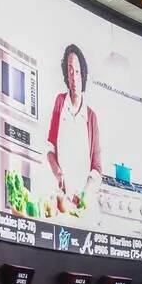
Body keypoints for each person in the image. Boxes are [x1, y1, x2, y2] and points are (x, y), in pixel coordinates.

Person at [46, 43, 102, 209]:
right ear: (66, 75)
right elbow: (49, 146)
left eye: (77, 71)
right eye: (70, 71)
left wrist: (84, 193)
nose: (74, 76)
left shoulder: (91, 117)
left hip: (81, 202)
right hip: (59, 197)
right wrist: (56, 170)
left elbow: (97, 167)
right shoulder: (60, 102)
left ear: (83, 75)